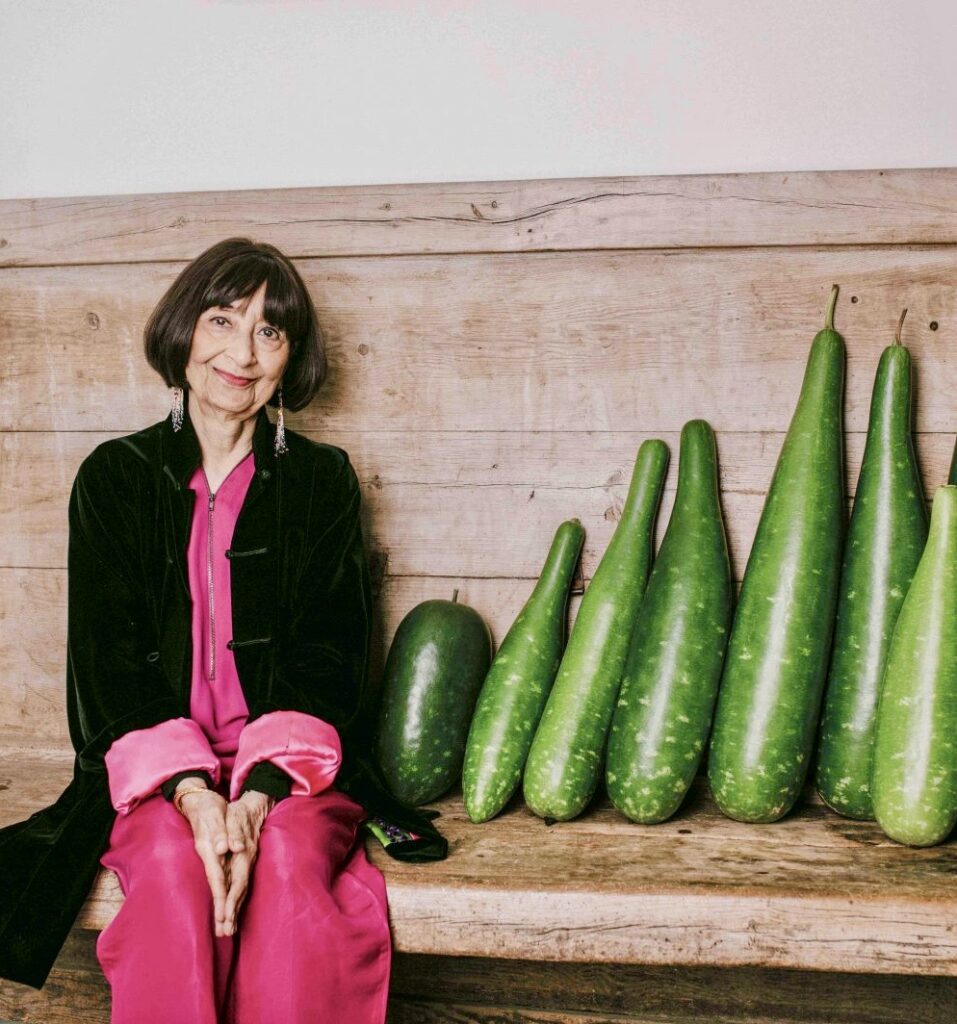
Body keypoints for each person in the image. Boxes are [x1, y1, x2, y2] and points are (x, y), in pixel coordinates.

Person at [0, 237, 448, 1018]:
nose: (241, 351)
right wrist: (194, 793)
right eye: (221, 319)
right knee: (175, 874)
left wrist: (256, 795)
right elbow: (106, 665)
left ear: (291, 359)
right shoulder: (115, 477)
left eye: (269, 331)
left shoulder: (320, 482)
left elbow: (330, 659)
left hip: (297, 774)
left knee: (286, 867)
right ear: (184, 333)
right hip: (150, 779)